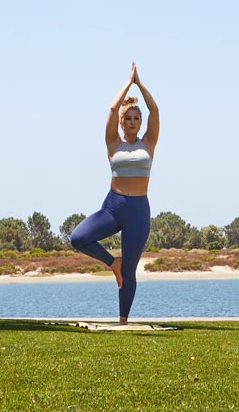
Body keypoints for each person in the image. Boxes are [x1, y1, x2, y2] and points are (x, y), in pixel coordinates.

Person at [70, 62, 159, 323]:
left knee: (130, 270)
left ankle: (123, 322)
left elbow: (155, 109)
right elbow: (111, 108)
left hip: (139, 211)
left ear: (140, 122)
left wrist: (140, 85)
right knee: (78, 238)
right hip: (114, 206)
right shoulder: (113, 143)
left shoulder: (149, 142)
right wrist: (127, 84)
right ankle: (112, 264)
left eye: (136, 118)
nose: (132, 122)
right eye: (127, 118)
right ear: (121, 123)